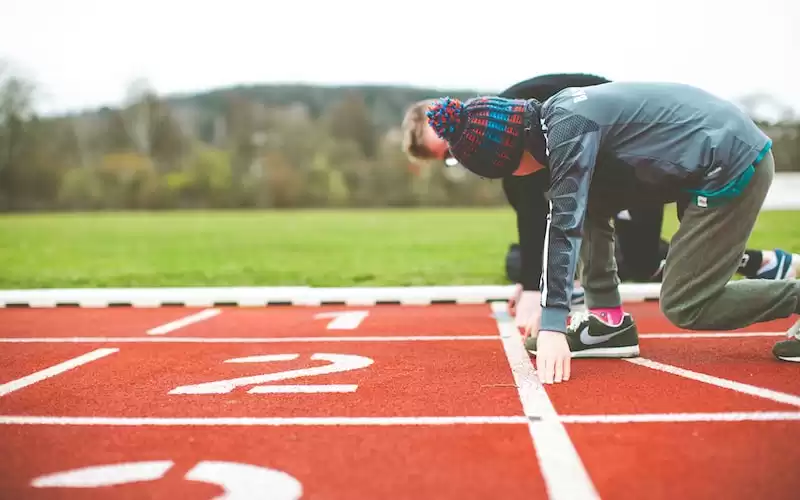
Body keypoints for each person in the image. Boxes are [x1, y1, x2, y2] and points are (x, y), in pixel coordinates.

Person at [423, 81, 800, 384]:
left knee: (687, 303)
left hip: (732, 163)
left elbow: (564, 223)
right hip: (705, 156)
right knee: (583, 199)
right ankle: (607, 321)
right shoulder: (557, 114)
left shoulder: (569, 131)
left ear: (507, 157)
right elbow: (574, 208)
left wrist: (553, 322)